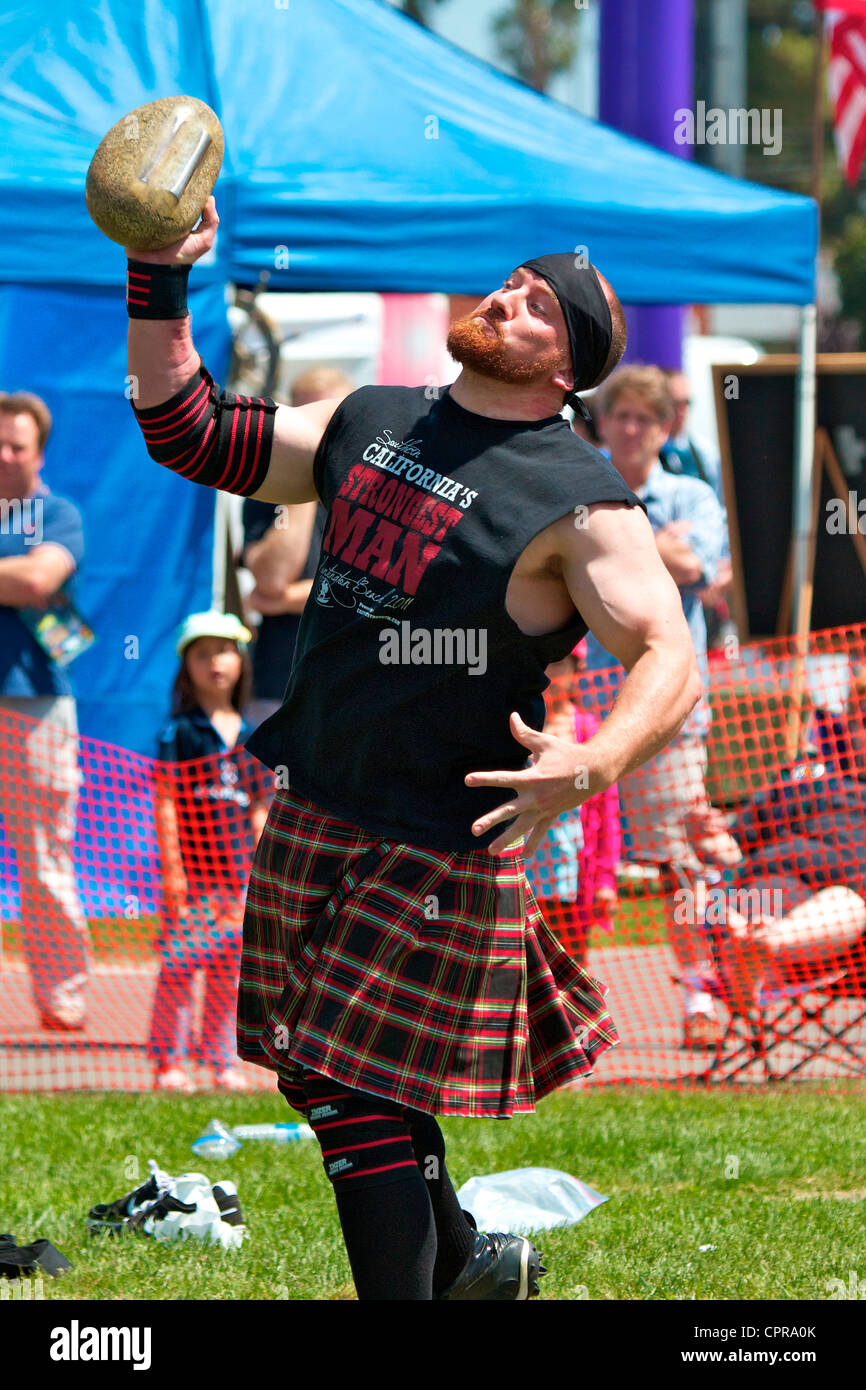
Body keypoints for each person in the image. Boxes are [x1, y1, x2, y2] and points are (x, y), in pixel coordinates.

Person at [121, 200, 701, 1301]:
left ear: (564, 370)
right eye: (510, 281)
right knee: (318, 1070)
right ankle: (476, 1261)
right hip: (315, 806)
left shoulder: (578, 497)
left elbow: (667, 651)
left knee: (345, 1082)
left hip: (439, 835)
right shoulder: (371, 415)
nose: (505, 297)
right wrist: (159, 271)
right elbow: (185, 430)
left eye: (540, 305)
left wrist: (595, 761)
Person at [579, 365, 740, 1050]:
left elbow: (697, 566)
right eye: (622, 416)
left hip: (669, 711)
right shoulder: (580, 484)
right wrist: (658, 547)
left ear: (664, 427)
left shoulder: (692, 494)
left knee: (684, 861)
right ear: (606, 423)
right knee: (570, 862)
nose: (634, 428)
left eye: (647, 418)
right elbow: (664, 560)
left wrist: (618, 541)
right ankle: (563, 1002)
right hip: (582, 709)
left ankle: (700, 995)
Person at [148, 612, 271, 1091]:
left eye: (223, 651)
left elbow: (261, 807)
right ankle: (168, 1062)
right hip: (195, 877)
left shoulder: (250, 735)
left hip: (238, 879)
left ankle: (221, 1061)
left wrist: (265, 868)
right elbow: (165, 803)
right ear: (186, 667)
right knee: (180, 966)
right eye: (202, 653)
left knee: (228, 972)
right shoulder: (178, 732)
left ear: (239, 662)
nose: (214, 662)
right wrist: (173, 869)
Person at [0, 390, 91, 1031]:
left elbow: (38, 581)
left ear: (38, 453)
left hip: (34, 704)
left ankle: (63, 998)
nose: (4, 456)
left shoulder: (58, 513)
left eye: (16, 445)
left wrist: (25, 571)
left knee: (44, 856)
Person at [241, 367, 355, 727]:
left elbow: (381, 588)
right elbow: (272, 578)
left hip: (353, 683)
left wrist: (284, 599)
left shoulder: (381, 489)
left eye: (327, 419)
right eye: (304, 418)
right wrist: (305, 479)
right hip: (280, 683)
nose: (316, 431)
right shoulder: (267, 488)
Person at [526, 641, 620, 969]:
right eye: (545, 661)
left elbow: (608, 814)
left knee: (568, 969)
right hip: (519, 875)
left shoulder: (589, 731)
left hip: (570, 880)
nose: (551, 672)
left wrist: (606, 881)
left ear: (576, 671)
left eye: (561, 662)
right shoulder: (516, 725)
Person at [661, 369, 733, 649]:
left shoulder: (704, 453)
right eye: (673, 403)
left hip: (702, 586)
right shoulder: (643, 458)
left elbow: (721, 515)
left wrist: (722, 568)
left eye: (686, 403)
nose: (681, 411)